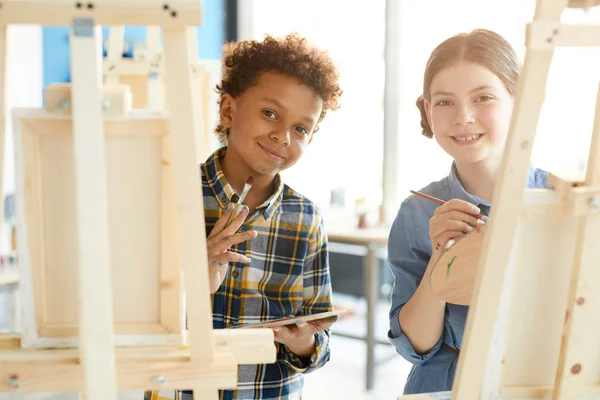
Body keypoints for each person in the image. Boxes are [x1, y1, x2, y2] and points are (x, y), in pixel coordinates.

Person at [145, 33, 342, 400]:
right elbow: (134, 322)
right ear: (228, 111)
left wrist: (304, 341)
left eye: (301, 128)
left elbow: (320, 346)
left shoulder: (306, 220)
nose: (283, 136)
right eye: (270, 113)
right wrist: (193, 280)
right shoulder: (171, 194)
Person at [387, 29, 549, 395]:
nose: (463, 117)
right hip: (444, 384)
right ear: (428, 110)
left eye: (483, 98)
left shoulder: (563, 200)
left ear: (520, 102)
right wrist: (442, 260)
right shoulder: (417, 213)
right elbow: (417, 347)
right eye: (445, 102)